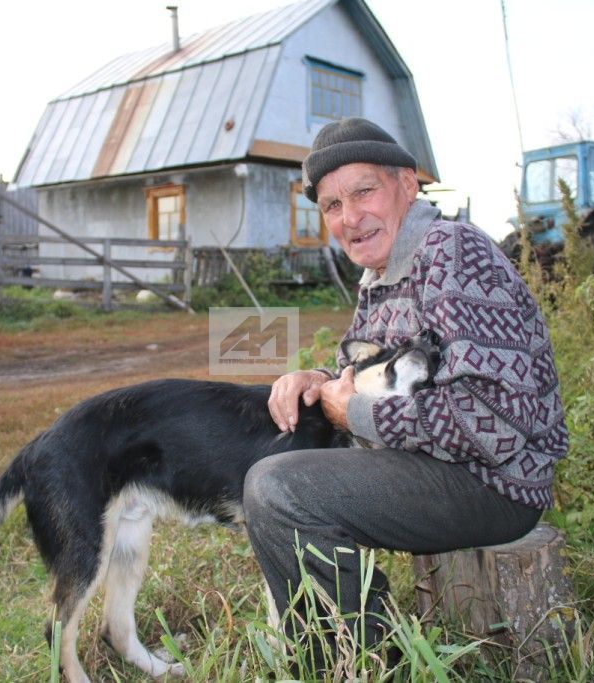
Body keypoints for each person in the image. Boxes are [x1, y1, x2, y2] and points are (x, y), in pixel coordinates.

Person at [242, 118, 568, 668]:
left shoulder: (453, 254)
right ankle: (362, 646)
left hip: (495, 484)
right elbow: (365, 366)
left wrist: (360, 414)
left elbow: (497, 421)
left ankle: (357, 663)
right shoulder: (383, 274)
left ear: (408, 185)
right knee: (273, 453)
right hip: (436, 464)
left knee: (279, 489)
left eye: (364, 191)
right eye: (332, 206)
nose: (350, 218)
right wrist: (320, 380)